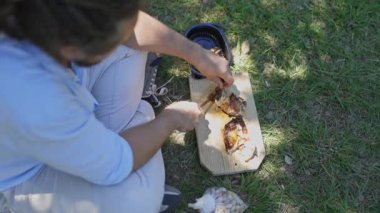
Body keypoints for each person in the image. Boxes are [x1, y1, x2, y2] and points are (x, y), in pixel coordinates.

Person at [0, 0, 234, 212]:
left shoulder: (53, 20)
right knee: (137, 202)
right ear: (74, 44)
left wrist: (196, 54)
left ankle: (110, 136)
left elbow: (127, 24)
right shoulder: (36, 101)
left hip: (53, 113)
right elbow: (116, 164)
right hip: (28, 170)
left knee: (131, 45)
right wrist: (169, 119)